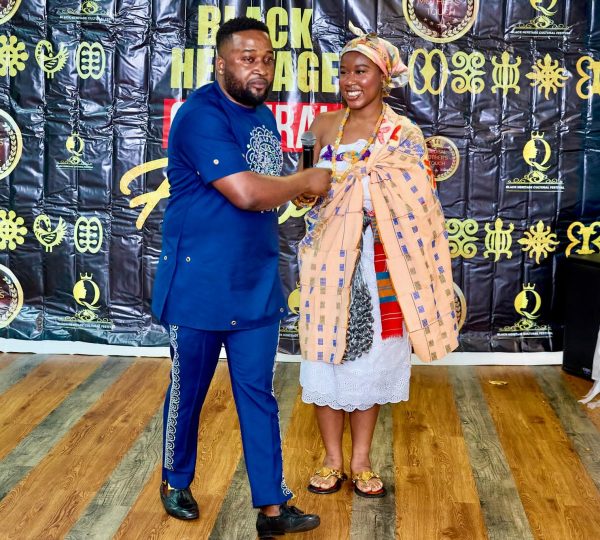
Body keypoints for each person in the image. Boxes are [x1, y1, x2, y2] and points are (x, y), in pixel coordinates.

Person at [151, 16, 330, 538]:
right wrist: (305, 179)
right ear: (220, 62)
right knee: (189, 391)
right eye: (248, 58)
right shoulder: (199, 115)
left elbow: (270, 185)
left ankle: (273, 507)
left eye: (268, 60)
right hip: (199, 285)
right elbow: (248, 192)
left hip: (254, 283)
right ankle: (175, 480)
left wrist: (298, 186)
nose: (261, 69)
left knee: (258, 394)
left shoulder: (263, 117)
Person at [296, 28, 459, 498]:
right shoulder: (323, 126)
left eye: (361, 71)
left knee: (372, 362)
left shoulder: (404, 135)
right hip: (328, 261)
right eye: (344, 71)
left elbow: (419, 202)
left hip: (382, 260)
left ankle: (362, 461)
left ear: (383, 78)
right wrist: (311, 190)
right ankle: (332, 460)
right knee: (324, 358)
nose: (350, 80)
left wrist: (366, 193)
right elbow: (307, 192)